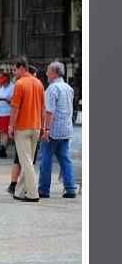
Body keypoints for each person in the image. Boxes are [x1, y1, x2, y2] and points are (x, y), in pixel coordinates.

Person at [8, 57, 45, 202]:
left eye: (15, 69)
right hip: (36, 126)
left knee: (26, 162)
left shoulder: (20, 84)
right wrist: (43, 126)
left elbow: (15, 108)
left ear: (22, 68)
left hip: (22, 127)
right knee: (28, 160)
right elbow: (43, 107)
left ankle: (33, 193)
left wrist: (11, 125)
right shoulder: (39, 83)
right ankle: (19, 191)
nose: (14, 72)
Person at [38, 61, 77, 198]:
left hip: (53, 131)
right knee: (65, 159)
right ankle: (70, 188)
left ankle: (43, 189)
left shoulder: (52, 89)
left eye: (48, 71)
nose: (46, 73)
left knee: (46, 159)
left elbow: (49, 111)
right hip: (66, 129)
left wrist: (46, 129)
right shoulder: (68, 88)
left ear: (54, 72)